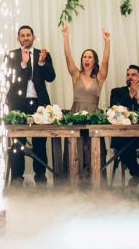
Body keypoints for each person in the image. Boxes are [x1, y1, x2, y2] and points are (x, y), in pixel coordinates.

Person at [6, 25, 56, 184]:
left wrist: (41, 63)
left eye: (28, 35)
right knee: (17, 142)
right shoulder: (11, 55)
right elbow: (9, 80)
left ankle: (40, 176)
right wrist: (22, 64)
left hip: (39, 103)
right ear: (18, 38)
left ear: (33, 37)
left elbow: (51, 77)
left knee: (40, 141)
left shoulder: (43, 55)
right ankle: (16, 178)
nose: (25, 38)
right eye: (22, 35)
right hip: (18, 103)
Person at [60, 25, 110, 177]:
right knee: (76, 149)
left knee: (92, 150)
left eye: (90, 57)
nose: (86, 59)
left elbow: (106, 62)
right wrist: (65, 37)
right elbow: (68, 57)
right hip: (76, 115)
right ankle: (74, 179)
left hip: (94, 115)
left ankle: (94, 179)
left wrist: (107, 42)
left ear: (94, 61)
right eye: (84, 57)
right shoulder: (76, 75)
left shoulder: (99, 78)